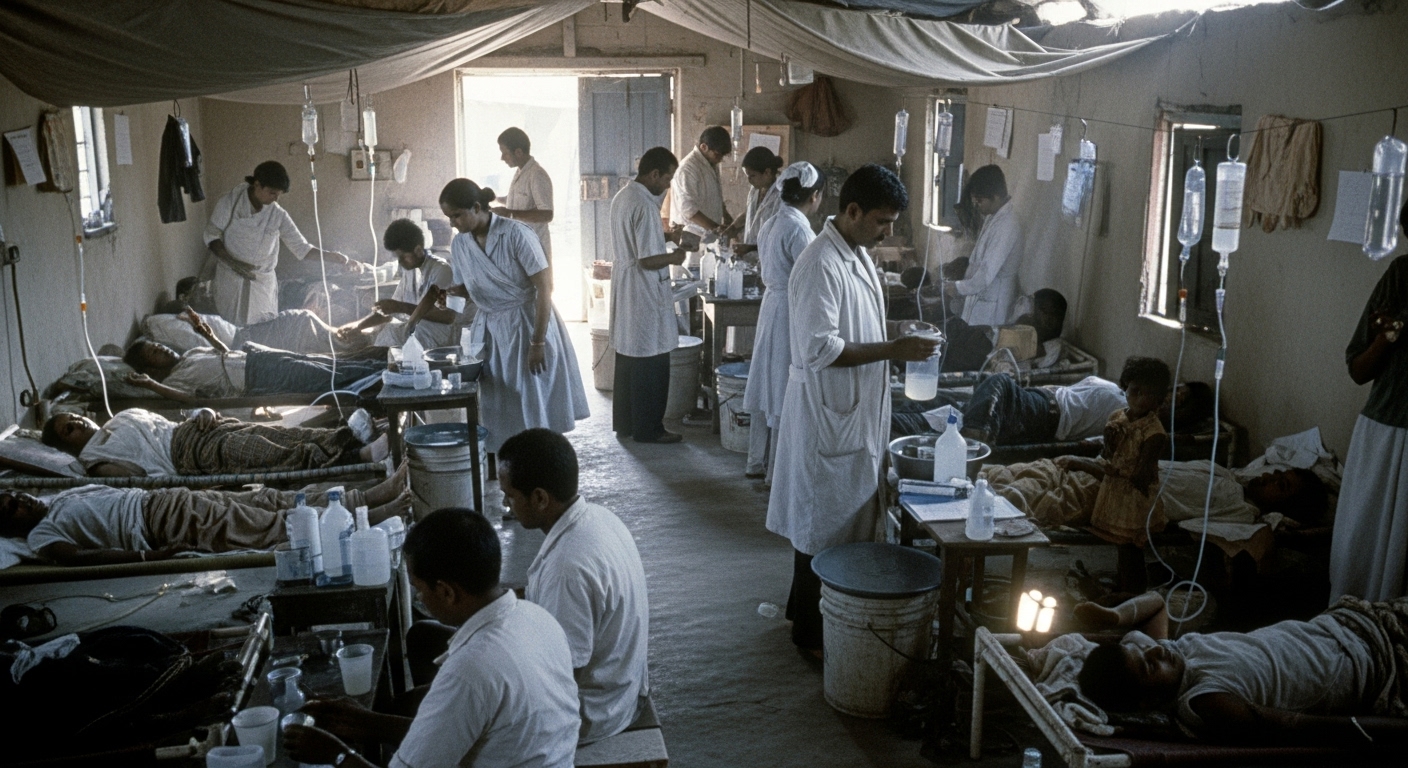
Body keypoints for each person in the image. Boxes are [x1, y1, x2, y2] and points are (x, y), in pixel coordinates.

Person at [766, 164, 940, 651]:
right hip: (828, 416)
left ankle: (814, 618)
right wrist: (892, 350)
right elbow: (821, 348)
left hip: (853, 411)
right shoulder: (821, 262)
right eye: (881, 221)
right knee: (820, 529)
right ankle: (810, 633)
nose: (887, 232)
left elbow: (860, 324)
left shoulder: (855, 254)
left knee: (839, 528)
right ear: (852, 210)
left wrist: (895, 340)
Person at [283, 509, 581, 768]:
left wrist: (335, 754)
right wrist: (367, 722)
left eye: (419, 587)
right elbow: (455, 729)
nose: (418, 597)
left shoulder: (470, 670)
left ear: (447, 592)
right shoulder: (536, 617)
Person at [1074, 591, 1408, 746]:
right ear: (1146, 703)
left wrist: (1114, 617)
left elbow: (1157, 603)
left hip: (1356, 622)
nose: (1158, 651)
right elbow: (1292, 725)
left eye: (1147, 650)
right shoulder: (1204, 699)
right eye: (1150, 666)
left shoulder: (1166, 653)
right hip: (1378, 667)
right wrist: (1377, 728)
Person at [409, 178, 588, 455]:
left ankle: (539, 459)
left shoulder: (516, 234)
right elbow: (470, 287)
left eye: (457, 215)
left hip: (527, 322)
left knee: (532, 400)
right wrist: (450, 295)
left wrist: (537, 342)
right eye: (449, 217)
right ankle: (506, 462)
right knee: (498, 402)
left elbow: (544, 288)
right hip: (491, 326)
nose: (453, 223)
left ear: (477, 207)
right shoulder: (461, 245)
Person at [501, 429, 649, 743]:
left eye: (511, 495)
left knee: (476, 712)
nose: (506, 503)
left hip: (593, 713)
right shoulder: (598, 516)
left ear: (540, 498)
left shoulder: (567, 569)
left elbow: (563, 679)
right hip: (621, 686)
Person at [0, 469, 408, 566]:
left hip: (165, 498)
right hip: (158, 525)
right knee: (261, 526)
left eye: (15, 493)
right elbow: (80, 559)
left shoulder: (61, 497)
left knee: (269, 499)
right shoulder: (41, 536)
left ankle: (367, 498)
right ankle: (363, 522)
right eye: (11, 507)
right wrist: (150, 558)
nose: (20, 498)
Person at [1332, 202, 1408, 602]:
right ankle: (1353, 628)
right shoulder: (1399, 276)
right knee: (1365, 546)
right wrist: (1388, 337)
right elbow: (1359, 369)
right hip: (1387, 430)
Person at [1057, 357, 1172, 593]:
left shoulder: (1154, 432)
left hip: (1135, 499)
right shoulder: (1117, 417)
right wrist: (1109, 442)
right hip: (1115, 493)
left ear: (1159, 399)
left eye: (1148, 394)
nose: (1139, 398)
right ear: (1125, 387)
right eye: (1134, 390)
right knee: (1119, 546)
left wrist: (1104, 470)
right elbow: (1108, 455)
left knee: (1132, 548)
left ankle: (1134, 595)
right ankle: (1123, 587)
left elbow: (1140, 477)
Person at [204, 160, 364, 326]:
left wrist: (338, 258)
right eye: (272, 193)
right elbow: (211, 235)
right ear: (257, 184)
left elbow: (302, 249)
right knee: (230, 329)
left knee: (262, 330)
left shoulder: (277, 214)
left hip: (261, 284)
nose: (275, 199)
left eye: (278, 195)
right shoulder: (229, 203)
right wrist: (232, 263)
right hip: (231, 279)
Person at [741, 162, 824, 482]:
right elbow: (810, 274)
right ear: (814, 196)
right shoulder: (799, 229)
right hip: (790, 308)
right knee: (782, 388)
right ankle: (775, 472)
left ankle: (754, 461)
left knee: (766, 386)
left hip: (772, 305)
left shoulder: (772, 222)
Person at [609, 147, 695, 444]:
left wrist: (668, 237)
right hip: (642, 287)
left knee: (629, 356)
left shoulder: (624, 196)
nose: (669, 185)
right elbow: (647, 259)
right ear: (653, 174)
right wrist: (675, 256)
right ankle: (650, 429)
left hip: (627, 283)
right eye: (667, 179)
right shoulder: (645, 206)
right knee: (651, 358)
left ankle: (626, 424)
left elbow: (636, 242)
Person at [121, 312, 385, 403]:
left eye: (158, 346)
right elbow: (191, 400)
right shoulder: (175, 381)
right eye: (155, 353)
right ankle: (381, 379)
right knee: (322, 377)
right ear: (150, 369)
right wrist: (151, 385)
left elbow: (223, 352)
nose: (163, 349)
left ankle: (381, 365)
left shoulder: (188, 355)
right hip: (254, 378)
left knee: (324, 362)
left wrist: (207, 332)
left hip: (255, 355)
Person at [41, 408, 386, 477]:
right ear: (67, 446)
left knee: (279, 433)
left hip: (196, 428)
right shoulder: (93, 459)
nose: (75, 422)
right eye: (67, 429)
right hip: (186, 458)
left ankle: (351, 435)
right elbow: (136, 478)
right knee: (265, 453)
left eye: (73, 416)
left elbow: (175, 418)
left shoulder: (122, 415)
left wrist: (204, 411)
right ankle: (357, 456)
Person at [338, 218, 463, 349]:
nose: (400, 262)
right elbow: (390, 312)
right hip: (417, 334)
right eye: (397, 258)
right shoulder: (410, 272)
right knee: (385, 330)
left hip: (439, 338)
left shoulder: (442, 271)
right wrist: (358, 326)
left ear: (418, 250)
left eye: (403, 257)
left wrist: (401, 307)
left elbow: (448, 316)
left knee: (398, 332)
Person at [946, 165, 1021, 326]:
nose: (976, 205)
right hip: (980, 298)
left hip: (994, 306)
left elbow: (986, 274)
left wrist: (958, 288)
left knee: (982, 344)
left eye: (979, 200)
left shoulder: (1007, 225)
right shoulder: (993, 217)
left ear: (996, 197)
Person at [941, 288, 1067, 373]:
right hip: (985, 340)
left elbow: (1015, 352)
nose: (1050, 318)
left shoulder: (1052, 345)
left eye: (1054, 314)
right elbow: (1001, 331)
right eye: (1043, 310)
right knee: (953, 328)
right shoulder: (1030, 324)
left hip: (984, 351)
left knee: (946, 351)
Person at [493, 127, 555, 258]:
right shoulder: (521, 172)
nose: (502, 158)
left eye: (505, 153)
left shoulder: (537, 175)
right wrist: (497, 199)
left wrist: (509, 214)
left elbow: (547, 214)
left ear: (519, 152)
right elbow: (519, 201)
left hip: (534, 249)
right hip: (521, 246)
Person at [670, 126, 733, 240]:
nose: (720, 159)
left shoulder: (711, 164)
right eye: (718, 154)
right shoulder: (688, 168)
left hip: (707, 234)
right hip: (691, 236)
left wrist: (727, 217)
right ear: (703, 147)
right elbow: (688, 209)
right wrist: (716, 228)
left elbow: (715, 196)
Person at [735, 146, 785, 255]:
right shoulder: (755, 189)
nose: (749, 180)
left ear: (767, 172)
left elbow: (779, 237)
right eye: (747, 176)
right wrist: (732, 229)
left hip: (770, 257)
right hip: (751, 257)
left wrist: (750, 248)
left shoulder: (782, 195)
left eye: (752, 176)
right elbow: (750, 213)